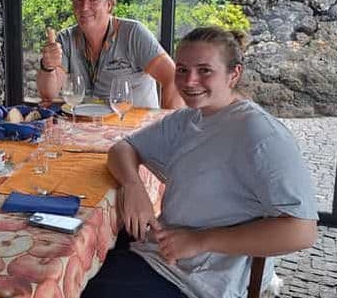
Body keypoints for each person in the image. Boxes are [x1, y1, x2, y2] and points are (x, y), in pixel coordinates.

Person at [85, 26, 318, 298]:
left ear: (234, 74)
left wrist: (199, 241)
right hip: (160, 255)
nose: (189, 80)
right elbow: (122, 149)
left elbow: (302, 232)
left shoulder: (259, 134)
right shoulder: (189, 119)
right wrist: (133, 185)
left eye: (204, 70)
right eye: (182, 70)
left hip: (199, 281)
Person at [37, 0, 184, 109]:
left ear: (109, 5)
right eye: (79, 1)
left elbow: (173, 78)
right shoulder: (66, 38)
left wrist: (169, 126)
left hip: (137, 128)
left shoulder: (133, 33)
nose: (84, 7)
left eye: (93, 0)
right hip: (89, 129)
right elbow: (49, 94)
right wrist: (47, 66)